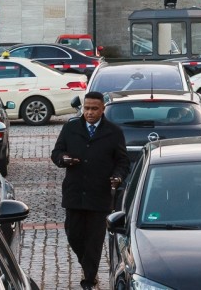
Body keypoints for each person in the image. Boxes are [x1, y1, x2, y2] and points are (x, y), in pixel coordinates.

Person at [51, 91, 129, 290]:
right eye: (87, 108)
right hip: (74, 193)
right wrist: (63, 159)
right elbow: (56, 152)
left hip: (99, 194)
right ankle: (87, 266)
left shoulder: (113, 132)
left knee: (94, 240)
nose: (90, 113)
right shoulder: (71, 128)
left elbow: (122, 162)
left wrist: (118, 177)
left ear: (103, 109)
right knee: (74, 235)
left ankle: (89, 279)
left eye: (94, 109)